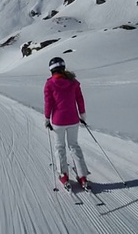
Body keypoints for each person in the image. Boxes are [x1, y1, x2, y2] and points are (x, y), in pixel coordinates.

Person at [44, 57, 90, 189]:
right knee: (74, 146)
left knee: (60, 147)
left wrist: (47, 118)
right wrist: (82, 115)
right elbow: (79, 99)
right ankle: (82, 176)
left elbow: (49, 103)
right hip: (73, 120)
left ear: (51, 70)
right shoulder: (73, 82)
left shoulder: (50, 84)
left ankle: (63, 175)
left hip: (58, 121)